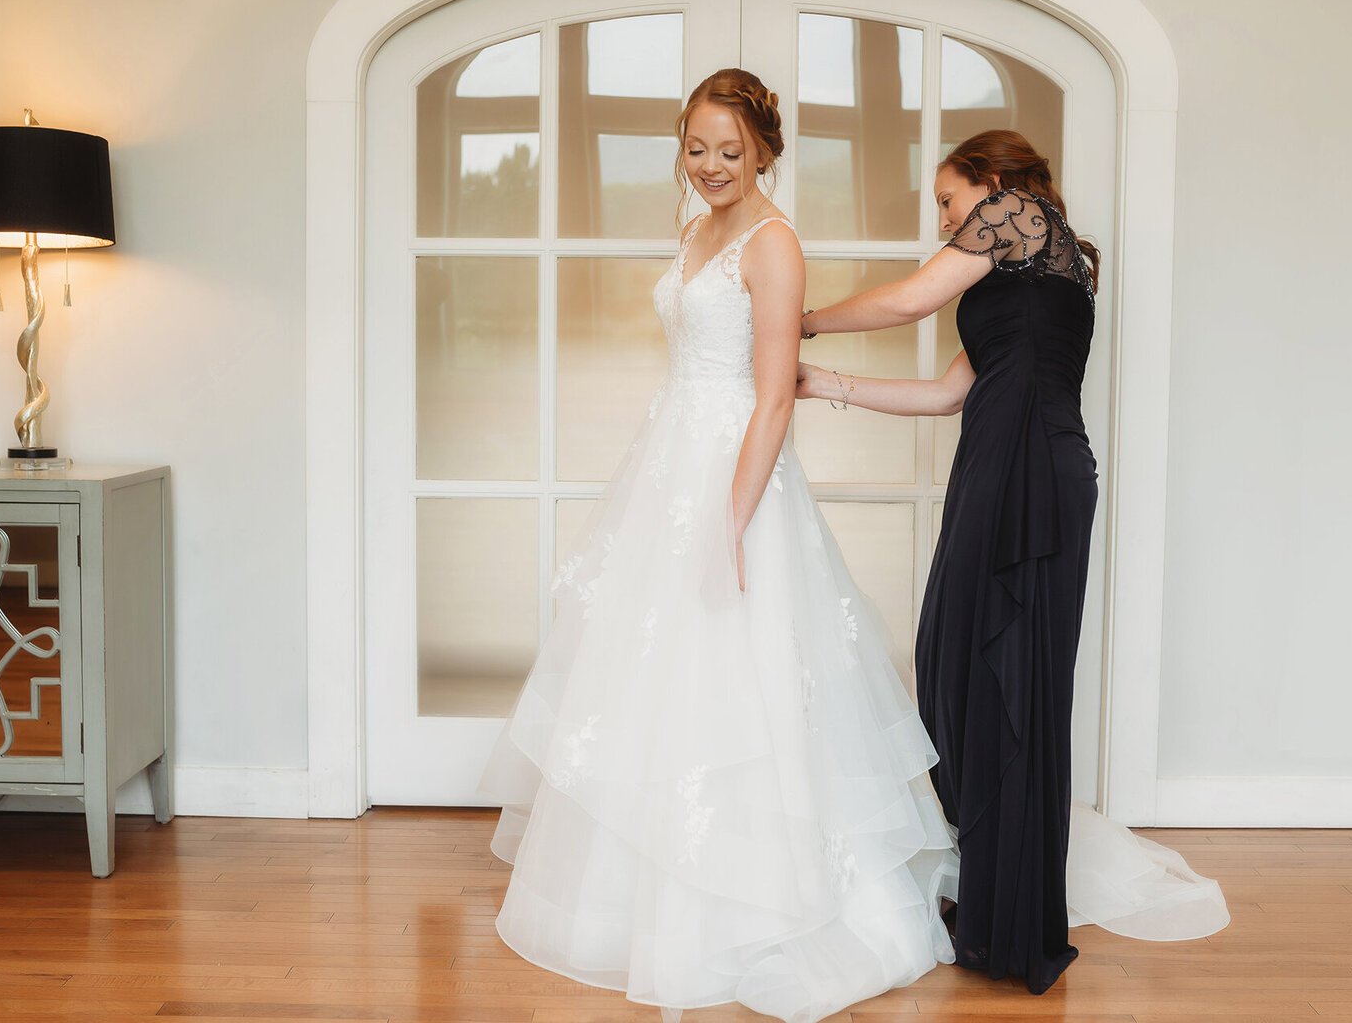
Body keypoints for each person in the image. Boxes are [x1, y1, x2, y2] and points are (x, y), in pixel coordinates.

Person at [477, 69, 957, 1023]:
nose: (709, 167)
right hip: (670, 461)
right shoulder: (697, 228)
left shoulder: (775, 245)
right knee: (652, 681)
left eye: (729, 152)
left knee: (743, 675)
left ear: (765, 152)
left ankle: (762, 898)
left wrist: (734, 515)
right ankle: (641, 896)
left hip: (735, 470)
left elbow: (774, 394)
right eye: (696, 149)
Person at [798, 130, 1226, 992]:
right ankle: (995, 897)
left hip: (1026, 468)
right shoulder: (1026, 275)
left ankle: (1010, 921)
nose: (948, 221)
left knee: (1008, 682)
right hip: (1002, 463)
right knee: (963, 669)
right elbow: (947, 395)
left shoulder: (1019, 217)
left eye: (948, 203)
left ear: (991, 186)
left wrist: (795, 319)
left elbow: (912, 300)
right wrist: (823, 381)